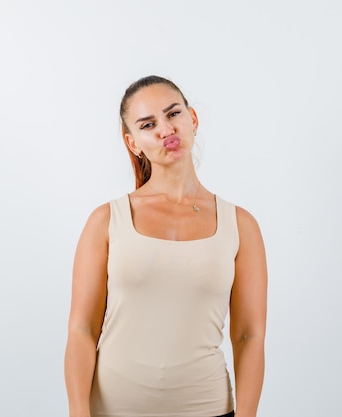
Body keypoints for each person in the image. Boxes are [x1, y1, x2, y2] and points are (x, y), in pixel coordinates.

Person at [64, 75, 267, 417]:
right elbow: (82, 329)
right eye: (148, 124)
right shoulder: (106, 220)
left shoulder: (240, 225)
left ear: (193, 119)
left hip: (207, 408)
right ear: (133, 143)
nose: (165, 129)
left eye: (173, 114)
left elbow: (249, 336)